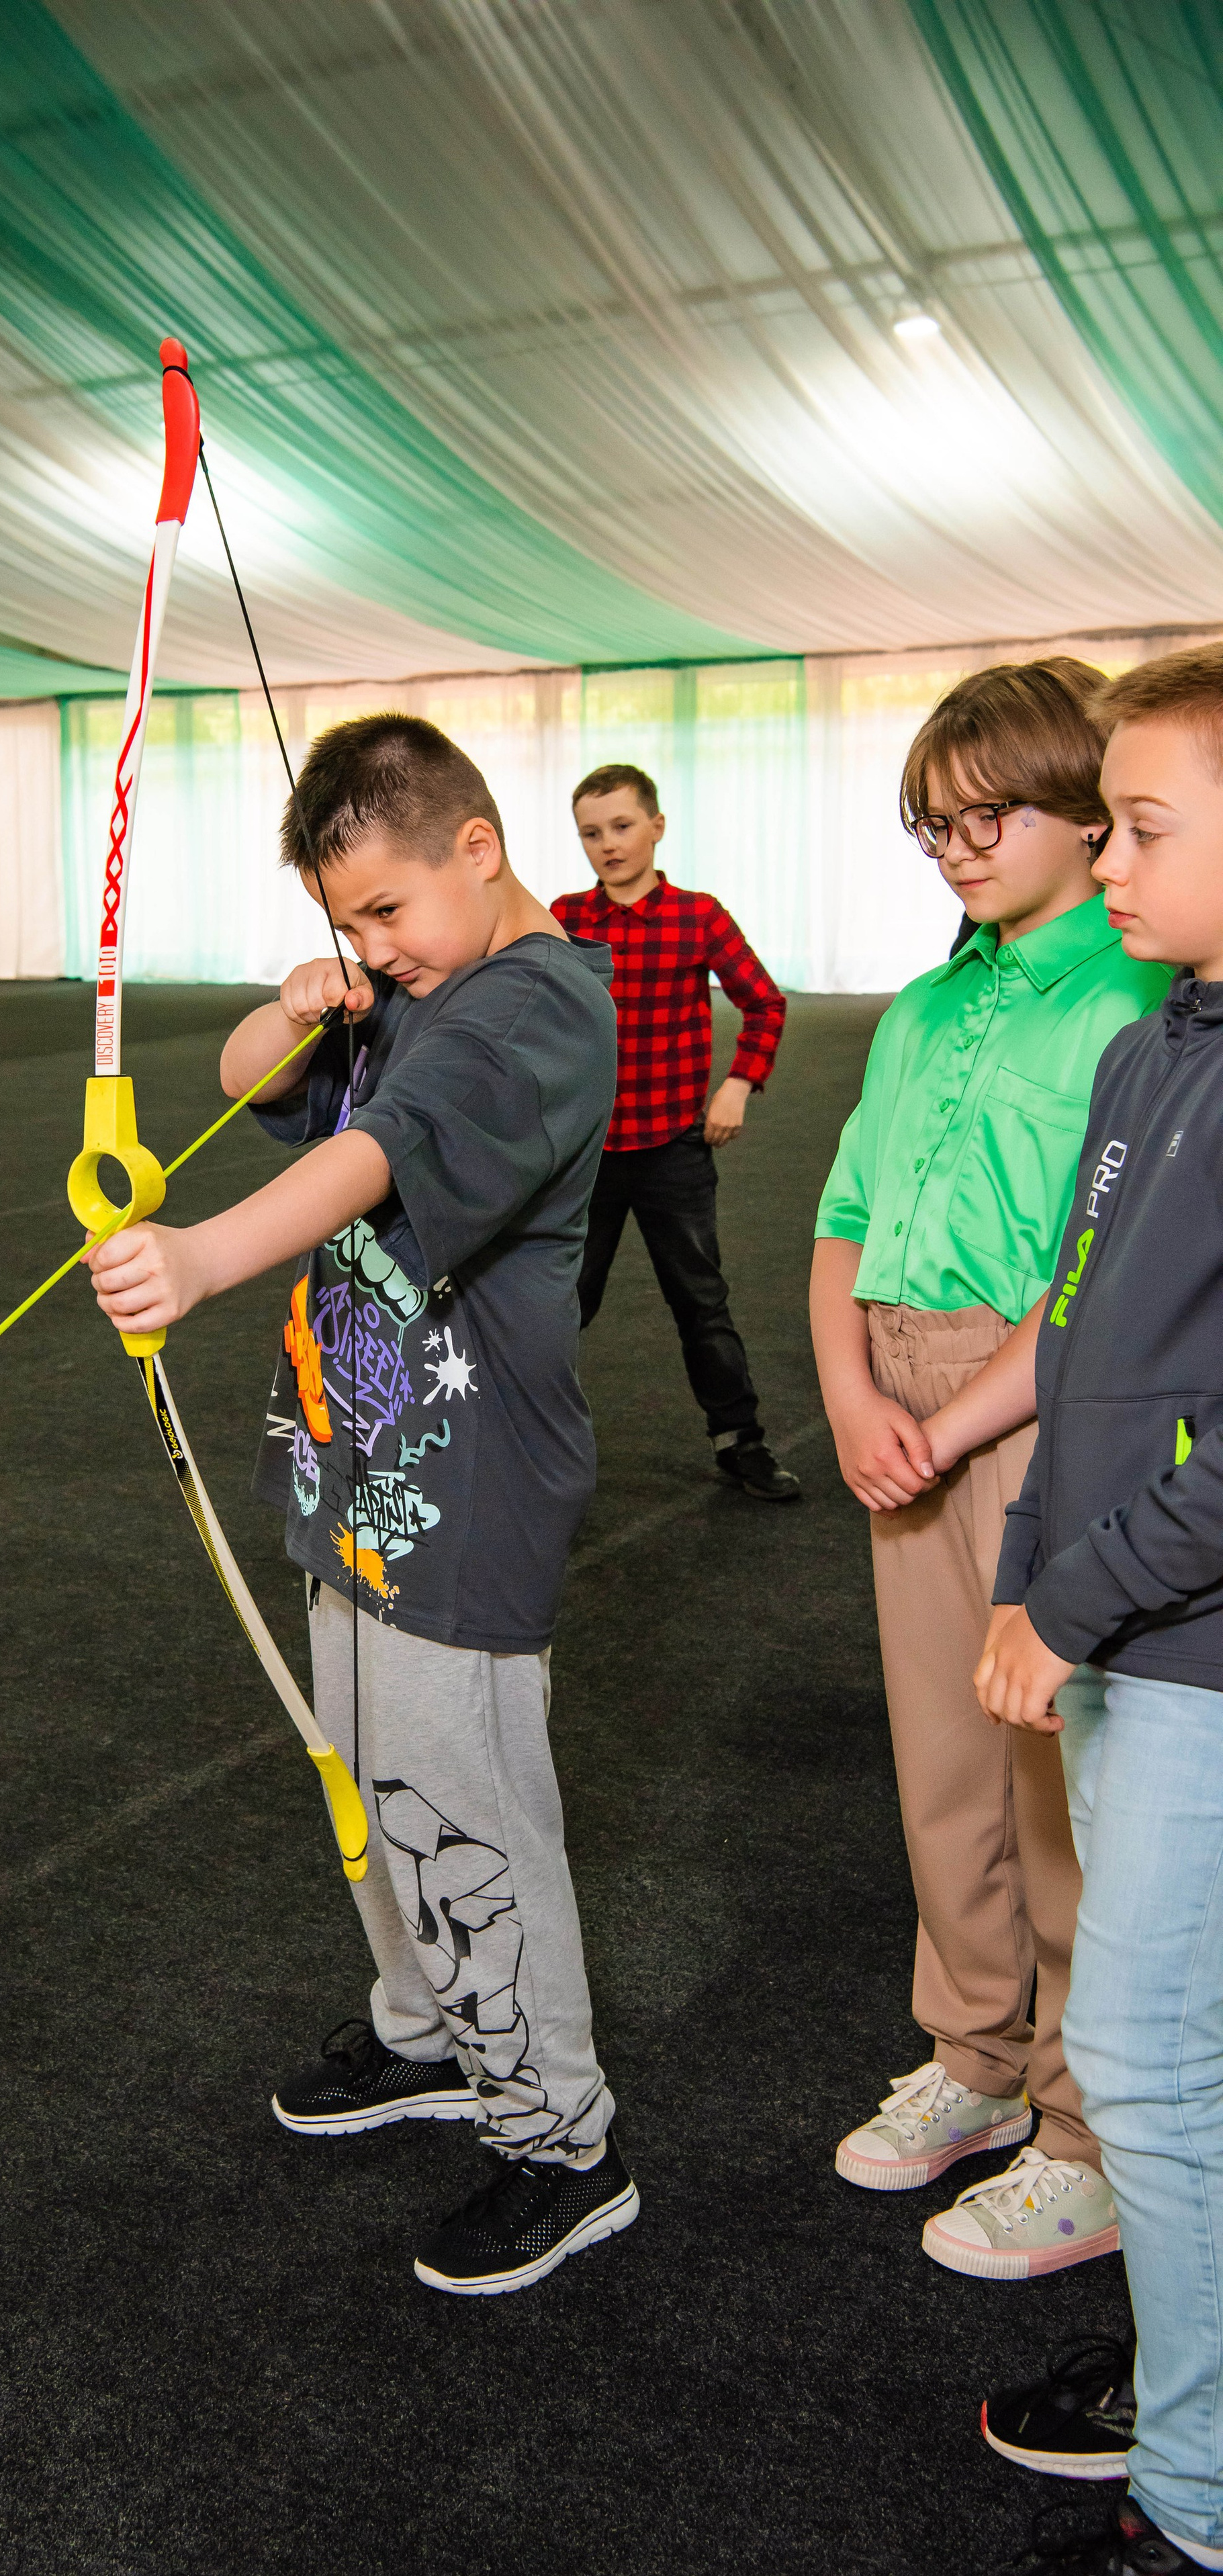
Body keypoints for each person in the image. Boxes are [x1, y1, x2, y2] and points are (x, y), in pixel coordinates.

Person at [84, 713, 636, 2297]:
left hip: (466, 1491)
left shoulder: (535, 1004)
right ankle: (430, 2031)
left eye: (387, 909)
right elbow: (250, 1075)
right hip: (363, 1467)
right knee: (374, 1773)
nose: (371, 945)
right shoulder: (410, 983)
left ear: (477, 843)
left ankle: (557, 2136)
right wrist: (294, 999)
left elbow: (377, 1151)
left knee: (462, 1806)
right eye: (348, 921)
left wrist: (196, 1256)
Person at [809, 659, 1169, 2276]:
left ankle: (1086, 2121)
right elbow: (836, 1222)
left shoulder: (1129, 994)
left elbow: (1096, 1279)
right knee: (941, 1749)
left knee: (1056, 1775)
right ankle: (971, 2049)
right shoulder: (919, 1004)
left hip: (1033, 1402)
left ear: (1084, 810)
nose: (954, 845)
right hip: (893, 1392)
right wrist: (845, 1392)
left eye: (986, 814)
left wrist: (950, 1423)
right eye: (929, 822)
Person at [973, 644, 1223, 2573]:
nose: (1109, 863)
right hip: (1120, 1629)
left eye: (1147, 826)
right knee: (1173, 2050)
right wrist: (1028, 1574)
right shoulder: (1154, 1043)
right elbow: (1079, 1336)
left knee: (1144, 2058)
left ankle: (1201, 2496)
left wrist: (1082, 1602)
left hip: (1194, 1646)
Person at [550, 764, 800, 1501]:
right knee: (563, 1305)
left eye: (622, 827)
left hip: (671, 1149)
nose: (608, 844)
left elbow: (764, 1003)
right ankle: (519, 1439)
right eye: (591, 834)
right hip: (584, 1157)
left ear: (656, 827)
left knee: (700, 1300)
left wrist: (738, 1083)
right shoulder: (564, 918)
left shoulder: (698, 916)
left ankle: (739, 1441)